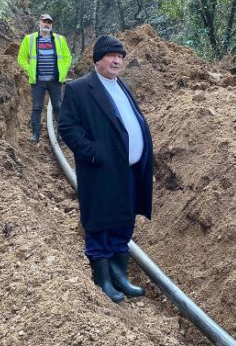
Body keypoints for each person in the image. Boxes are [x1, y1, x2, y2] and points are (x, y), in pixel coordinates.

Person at [58, 35, 154, 303]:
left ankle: (120, 275)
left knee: (123, 219)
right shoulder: (79, 89)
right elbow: (67, 127)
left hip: (129, 170)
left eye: (120, 56)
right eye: (111, 55)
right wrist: (94, 153)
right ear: (97, 59)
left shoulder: (120, 85)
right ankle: (102, 278)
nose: (117, 60)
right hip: (100, 170)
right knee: (100, 221)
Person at [17, 13, 72, 143]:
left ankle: (61, 135)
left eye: (49, 22)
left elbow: (67, 57)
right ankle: (36, 135)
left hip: (55, 80)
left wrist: (63, 72)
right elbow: (21, 58)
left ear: (51, 25)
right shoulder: (29, 39)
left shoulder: (60, 39)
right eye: (44, 22)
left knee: (58, 106)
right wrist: (29, 70)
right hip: (38, 81)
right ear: (39, 23)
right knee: (37, 107)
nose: (46, 24)